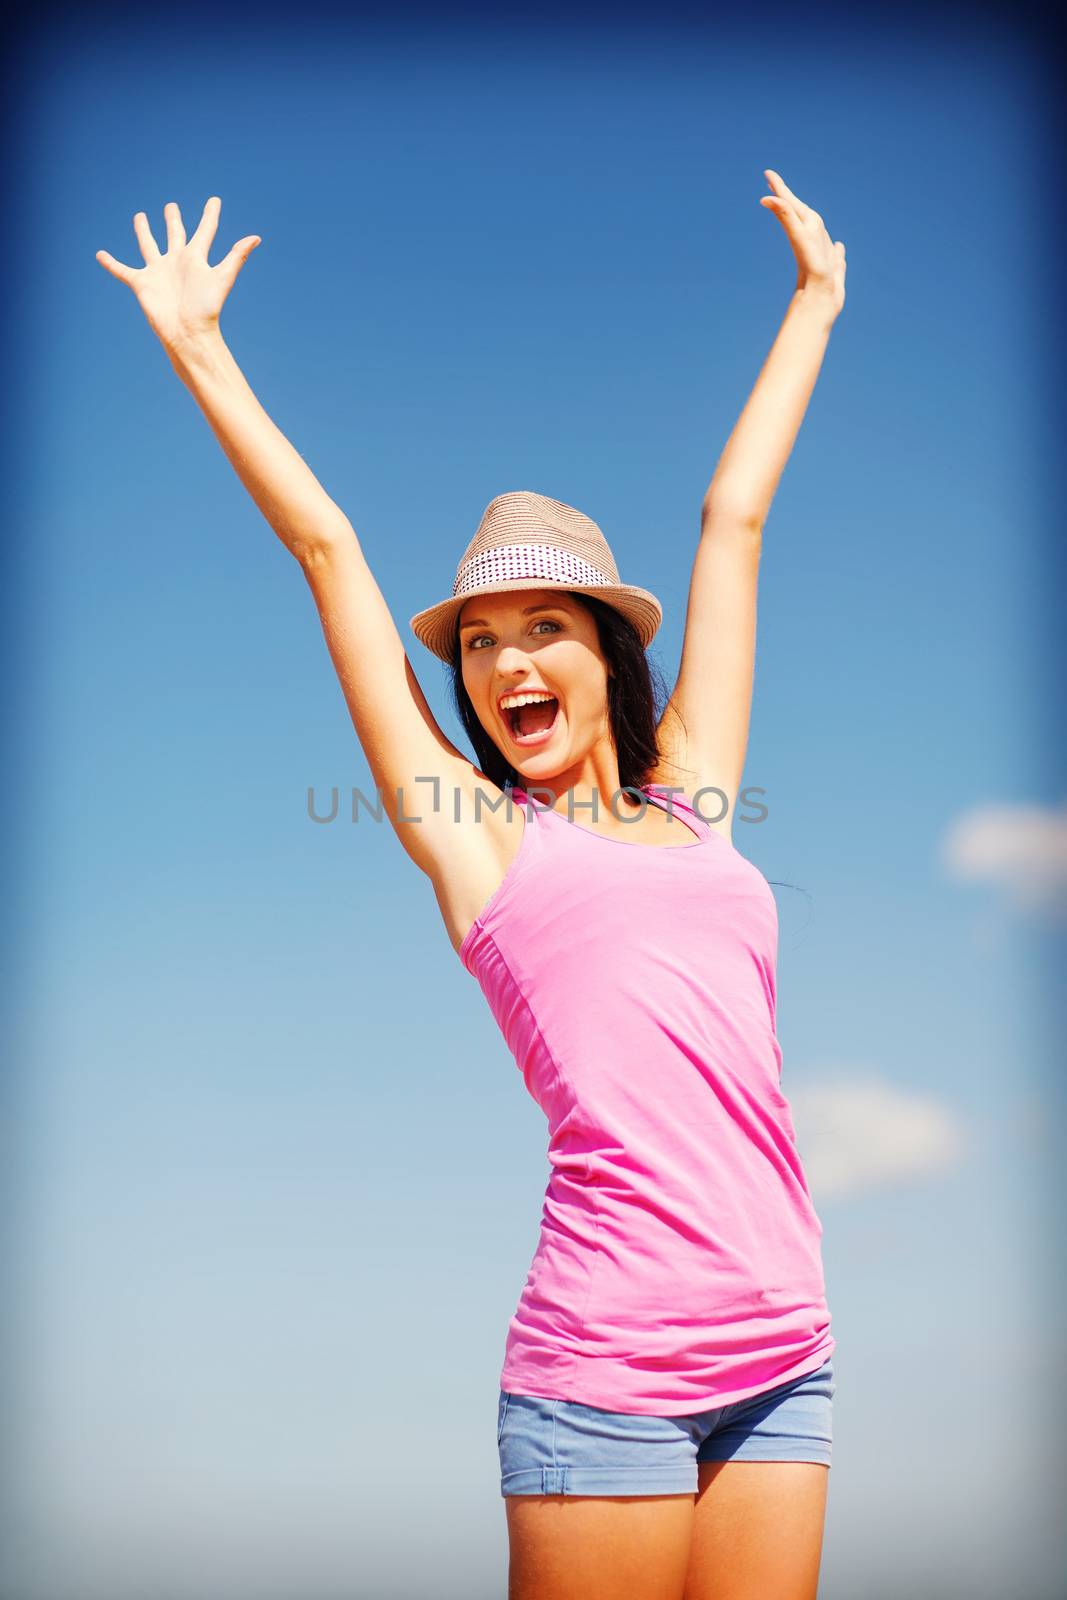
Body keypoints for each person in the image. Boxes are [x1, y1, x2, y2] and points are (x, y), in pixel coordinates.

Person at [97, 170, 847, 1600]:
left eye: (543, 629)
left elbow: (733, 520)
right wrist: (200, 349)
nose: (506, 665)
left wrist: (815, 302)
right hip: (605, 1365)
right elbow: (330, 555)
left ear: (606, 653)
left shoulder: (694, 797)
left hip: (785, 1349)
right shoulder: (477, 837)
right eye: (482, 642)